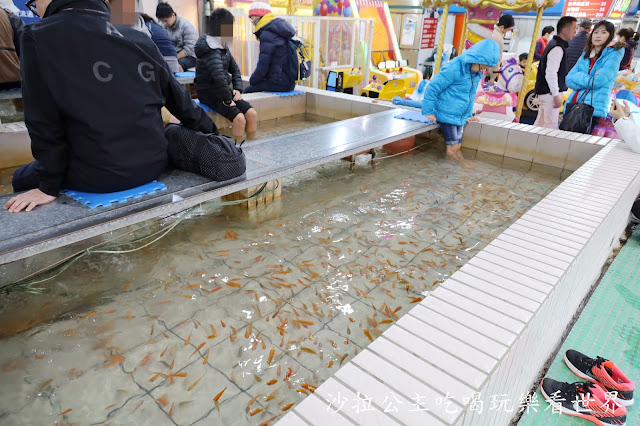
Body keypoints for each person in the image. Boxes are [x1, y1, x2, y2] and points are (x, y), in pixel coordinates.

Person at [3, 0, 216, 213]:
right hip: (154, 164)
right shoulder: (138, 37)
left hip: (96, 177)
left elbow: (42, 119)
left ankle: (79, 245)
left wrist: (47, 186)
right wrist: (215, 137)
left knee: (20, 178)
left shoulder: (38, 35)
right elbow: (181, 102)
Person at [422, 39, 500, 161]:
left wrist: (468, 115)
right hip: (447, 113)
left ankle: (458, 167)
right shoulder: (454, 68)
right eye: (482, 67)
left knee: (457, 146)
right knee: (452, 148)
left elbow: (469, 96)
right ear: (475, 59)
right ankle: (459, 168)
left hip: (459, 116)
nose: (482, 70)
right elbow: (433, 87)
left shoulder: (475, 74)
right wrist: (428, 112)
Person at [195, 8, 257, 141]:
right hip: (208, 92)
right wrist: (228, 100)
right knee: (239, 118)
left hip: (222, 90)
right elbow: (218, 77)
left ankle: (252, 146)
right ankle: (235, 154)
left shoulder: (223, 46)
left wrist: (238, 89)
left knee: (251, 114)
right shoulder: (210, 50)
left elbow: (234, 69)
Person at [566, 20, 625, 130]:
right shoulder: (587, 52)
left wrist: (579, 76)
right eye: (596, 32)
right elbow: (568, 79)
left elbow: (597, 82)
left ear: (610, 35)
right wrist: (589, 79)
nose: (598, 35)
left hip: (592, 109)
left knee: (579, 144)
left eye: (603, 32)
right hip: (572, 104)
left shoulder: (615, 53)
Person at [533, 16, 577, 129]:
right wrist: (556, 94)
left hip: (545, 91)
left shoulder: (554, 44)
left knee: (540, 123)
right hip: (549, 93)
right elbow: (551, 73)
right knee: (551, 124)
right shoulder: (557, 47)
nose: (575, 32)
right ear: (565, 30)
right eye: (574, 28)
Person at [245, 1, 297, 93]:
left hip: (278, 83)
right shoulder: (276, 29)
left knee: (246, 92)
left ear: (258, 17)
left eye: (251, 17)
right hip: (289, 82)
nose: (251, 20)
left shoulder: (267, 33)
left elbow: (263, 65)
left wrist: (253, 80)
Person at [155, 2, 197, 72]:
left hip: (188, 57)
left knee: (177, 67)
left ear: (173, 15)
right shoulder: (161, 26)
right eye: (162, 21)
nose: (164, 23)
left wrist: (173, 58)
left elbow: (190, 48)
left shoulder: (186, 26)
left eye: (166, 20)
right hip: (170, 56)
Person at [0, 0, 23, 91]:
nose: (11, 14)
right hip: (12, 80)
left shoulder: (15, 21)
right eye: (9, 11)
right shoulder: (14, 21)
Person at [488, 14, 514, 81]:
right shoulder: (498, 38)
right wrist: (493, 76)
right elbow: (496, 58)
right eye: (507, 31)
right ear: (502, 27)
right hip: (487, 72)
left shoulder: (491, 31)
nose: (506, 33)